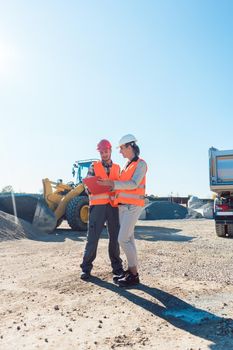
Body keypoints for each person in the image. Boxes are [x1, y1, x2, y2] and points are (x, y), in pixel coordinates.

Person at [98, 134, 147, 287]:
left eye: (121, 148)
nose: (120, 152)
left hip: (133, 206)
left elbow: (133, 183)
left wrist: (113, 183)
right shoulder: (127, 165)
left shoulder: (141, 164)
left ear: (129, 146)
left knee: (122, 239)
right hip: (123, 207)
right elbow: (121, 185)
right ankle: (133, 273)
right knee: (129, 240)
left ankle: (134, 274)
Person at [80, 139, 124, 280]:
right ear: (99, 152)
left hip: (113, 207)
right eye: (102, 152)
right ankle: (86, 269)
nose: (104, 154)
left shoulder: (117, 168)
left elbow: (121, 185)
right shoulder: (94, 166)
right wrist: (90, 188)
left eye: (106, 151)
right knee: (92, 238)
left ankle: (117, 269)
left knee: (115, 239)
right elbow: (87, 185)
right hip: (97, 207)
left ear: (110, 151)